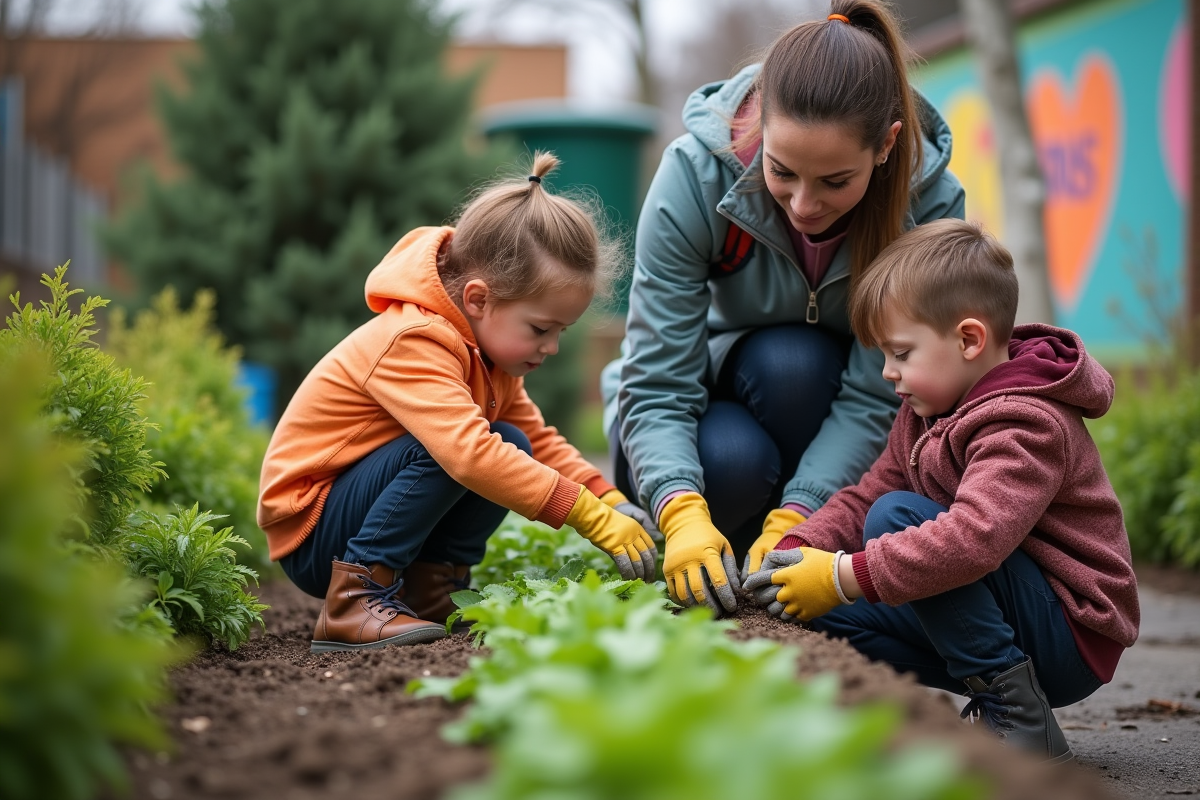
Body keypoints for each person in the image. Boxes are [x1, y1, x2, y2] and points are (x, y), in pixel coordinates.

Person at [601, 0, 965, 615]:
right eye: (782, 170)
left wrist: (800, 520)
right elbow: (658, 380)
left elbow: (882, 393)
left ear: (887, 146)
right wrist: (681, 508)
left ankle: (778, 543)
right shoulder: (695, 176)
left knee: (794, 366)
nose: (802, 204)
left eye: (834, 181)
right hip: (703, 416)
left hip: (821, 414)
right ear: (761, 122)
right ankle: (714, 540)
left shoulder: (929, 205)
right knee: (735, 453)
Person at [743, 218, 1140, 762]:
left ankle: (1020, 716)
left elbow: (973, 539)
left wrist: (841, 574)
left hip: (1068, 630)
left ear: (969, 339)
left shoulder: (1027, 422)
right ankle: (891, 712)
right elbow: (865, 493)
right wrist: (794, 549)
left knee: (896, 519)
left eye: (901, 353)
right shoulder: (926, 410)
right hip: (1008, 610)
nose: (887, 371)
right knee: (818, 607)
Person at [258, 152, 657, 653]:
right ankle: (354, 598)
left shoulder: (489, 358)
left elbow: (535, 439)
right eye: (540, 329)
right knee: (460, 449)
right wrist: (587, 516)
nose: (551, 347)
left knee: (510, 439)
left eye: (562, 331)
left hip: (353, 511)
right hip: (315, 530)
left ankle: (428, 593)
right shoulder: (414, 338)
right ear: (478, 299)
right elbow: (466, 452)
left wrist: (611, 500)